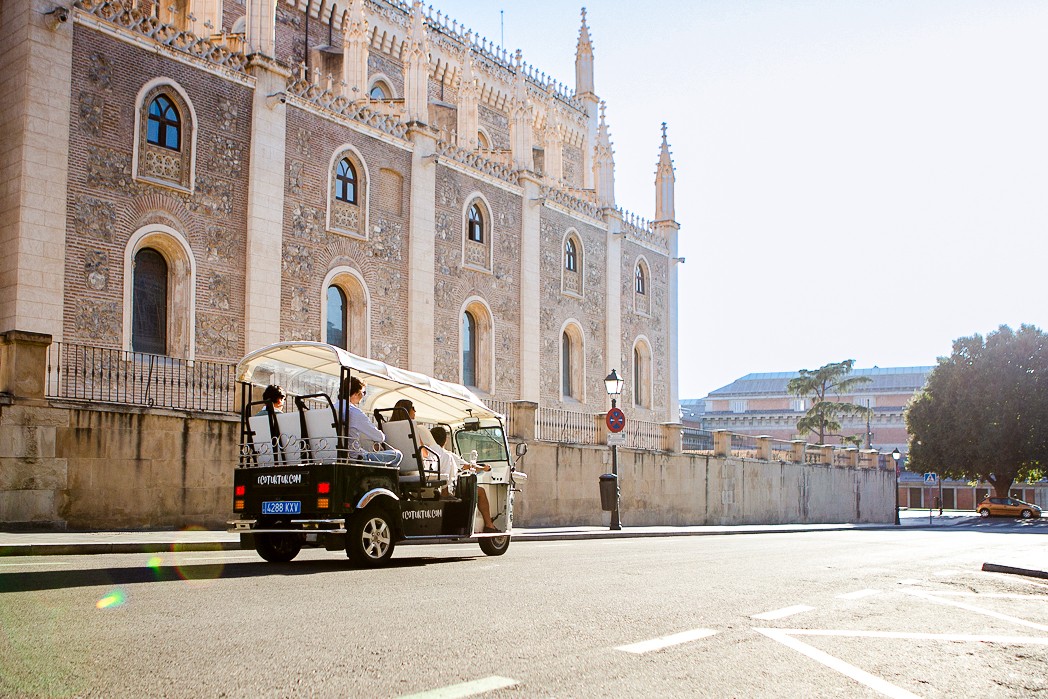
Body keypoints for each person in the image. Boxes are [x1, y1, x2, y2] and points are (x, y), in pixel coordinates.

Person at [428, 424, 498, 533]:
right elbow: (469, 466)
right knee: (480, 491)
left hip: (433, 485)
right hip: (448, 489)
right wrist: (484, 468)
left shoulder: (428, 453)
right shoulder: (447, 455)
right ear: (445, 440)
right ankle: (489, 525)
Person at [342, 376, 401, 466]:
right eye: (363, 392)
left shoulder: (331, 409)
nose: (363, 396)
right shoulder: (354, 412)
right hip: (355, 457)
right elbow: (380, 437)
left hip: (334, 455)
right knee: (397, 454)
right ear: (356, 393)